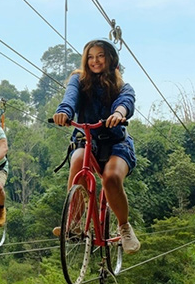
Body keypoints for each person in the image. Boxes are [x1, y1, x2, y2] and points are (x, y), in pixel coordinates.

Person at [52, 38, 140, 253]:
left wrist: (118, 114)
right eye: (90, 57)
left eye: (100, 55)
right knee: (79, 162)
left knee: (111, 179)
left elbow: (125, 103)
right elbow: (70, 98)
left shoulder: (123, 87)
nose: (95, 61)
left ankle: (124, 227)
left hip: (116, 143)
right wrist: (64, 111)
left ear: (111, 59)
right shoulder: (78, 80)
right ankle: (73, 222)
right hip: (86, 138)